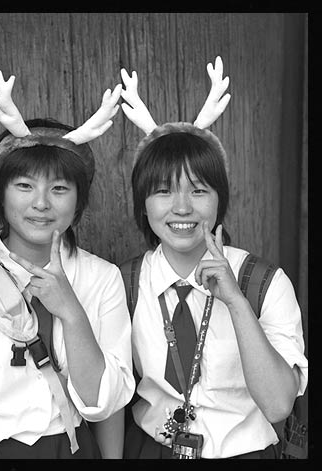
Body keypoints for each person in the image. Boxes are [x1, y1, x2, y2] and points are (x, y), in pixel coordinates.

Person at [0, 70, 135, 459]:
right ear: (0, 194)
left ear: (79, 200)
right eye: (24, 186)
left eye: (59, 188)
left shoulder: (101, 278)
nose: (41, 203)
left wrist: (71, 312)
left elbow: (103, 404)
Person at [118, 57, 308, 458]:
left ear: (220, 199)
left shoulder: (264, 281)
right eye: (164, 191)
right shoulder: (124, 283)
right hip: (153, 448)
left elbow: (277, 405)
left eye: (199, 190)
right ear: (143, 203)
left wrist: (236, 301)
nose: (182, 208)